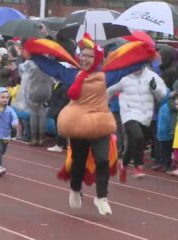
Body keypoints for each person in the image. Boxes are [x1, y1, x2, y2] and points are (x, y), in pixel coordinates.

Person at [28, 33, 148, 215]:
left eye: (90, 56)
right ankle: (75, 189)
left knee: (102, 159)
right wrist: (33, 55)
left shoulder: (105, 76)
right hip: (78, 125)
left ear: (97, 58)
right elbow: (52, 68)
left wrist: (146, 55)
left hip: (99, 124)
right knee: (78, 161)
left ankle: (101, 197)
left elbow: (126, 68)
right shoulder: (72, 74)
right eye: (83, 55)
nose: (85, 58)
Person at [107, 65, 167, 180]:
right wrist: (104, 106)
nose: (137, 67)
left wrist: (155, 88)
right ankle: (138, 166)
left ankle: (123, 165)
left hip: (145, 116)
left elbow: (163, 95)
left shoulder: (152, 76)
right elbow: (110, 90)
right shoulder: (125, 79)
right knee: (138, 137)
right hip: (128, 114)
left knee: (132, 145)